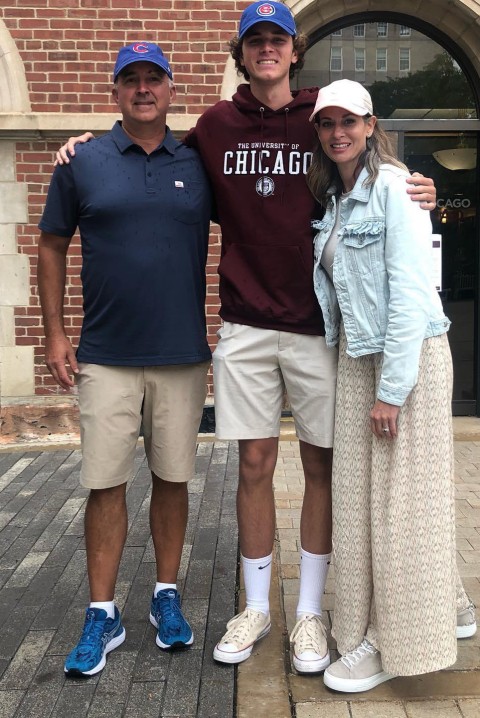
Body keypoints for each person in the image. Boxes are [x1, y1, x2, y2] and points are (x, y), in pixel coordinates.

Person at [53, 2, 437, 674]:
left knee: (321, 469)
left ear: (294, 50)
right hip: (246, 324)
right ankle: (256, 607)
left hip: (321, 325)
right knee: (254, 467)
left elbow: (364, 155)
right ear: (242, 52)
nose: (266, 50)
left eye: (277, 40)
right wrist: (85, 140)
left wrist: (414, 185)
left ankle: (311, 616)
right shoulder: (215, 126)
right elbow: (144, 142)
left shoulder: (324, 115)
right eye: (255, 40)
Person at [37, 42, 212, 677]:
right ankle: (103, 611)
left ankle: (167, 596)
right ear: (115, 92)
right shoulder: (82, 161)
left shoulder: (198, 162)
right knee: (104, 483)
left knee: (172, 478)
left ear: (171, 90)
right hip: (106, 354)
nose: (143, 89)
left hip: (181, 352)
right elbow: (51, 244)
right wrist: (56, 335)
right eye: (130, 80)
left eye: (154, 79)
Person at [307, 78, 477, 693]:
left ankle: (392, 641)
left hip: (404, 362)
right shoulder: (334, 197)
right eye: (326, 123)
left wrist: (393, 390)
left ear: (371, 125)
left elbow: (409, 294)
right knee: (369, 502)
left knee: (400, 507)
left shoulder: (392, 188)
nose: (337, 132)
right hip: (360, 360)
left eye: (348, 121)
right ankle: (448, 605)